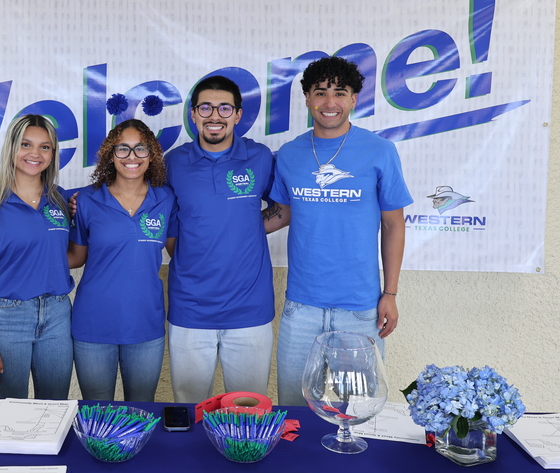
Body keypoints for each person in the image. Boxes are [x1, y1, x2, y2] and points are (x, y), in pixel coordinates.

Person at [266, 57, 413, 406]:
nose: (329, 103)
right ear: (306, 98)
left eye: (339, 93)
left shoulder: (380, 151)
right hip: (301, 306)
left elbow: (393, 224)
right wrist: (228, 234)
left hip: (360, 310)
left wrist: (390, 293)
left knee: (359, 410)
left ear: (353, 99)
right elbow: (282, 213)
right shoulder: (289, 154)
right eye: (320, 92)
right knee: (294, 410)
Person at [164, 75, 276, 404]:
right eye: (206, 108)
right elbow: (163, 221)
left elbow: (284, 208)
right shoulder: (173, 163)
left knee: (247, 410)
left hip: (249, 309)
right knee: (190, 409)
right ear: (194, 114)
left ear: (238, 115)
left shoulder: (260, 157)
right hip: (190, 309)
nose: (215, 115)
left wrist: (247, 227)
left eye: (224, 107)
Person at [0, 114, 74, 399]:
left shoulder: (61, 199)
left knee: (54, 408)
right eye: (26, 144)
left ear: (53, 153)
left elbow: (63, 256)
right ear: (11, 148)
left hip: (58, 314)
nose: (35, 153)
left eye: (45, 147)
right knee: (9, 415)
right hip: (8, 318)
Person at [67, 119, 176, 401]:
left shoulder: (165, 199)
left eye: (140, 149)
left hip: (145, 324)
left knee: (140, 414)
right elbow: (76, 258)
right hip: (93, 324)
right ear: (110, 154)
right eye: (122, 149)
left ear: (151, 155)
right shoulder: (87, 200)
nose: (131, 157)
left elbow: (180, 253)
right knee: (98, 415)